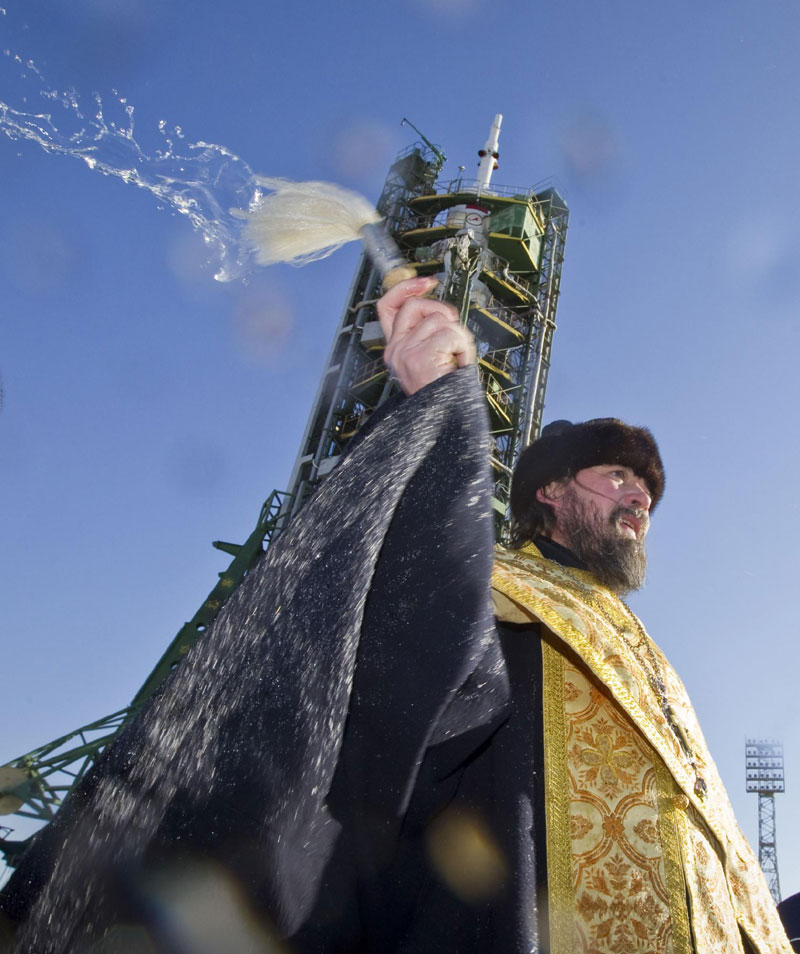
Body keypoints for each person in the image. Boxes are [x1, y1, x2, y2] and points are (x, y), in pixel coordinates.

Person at [1, 277, 791, 954]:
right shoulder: (499, 589)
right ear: (549, 491)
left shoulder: (632, 643)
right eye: (617, 475)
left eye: (647, 491)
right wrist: (439, 412)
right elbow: (388, 649)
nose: (640, 498)